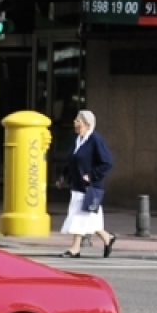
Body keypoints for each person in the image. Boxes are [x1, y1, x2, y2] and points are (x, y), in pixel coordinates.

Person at [56, 110, 116, 258]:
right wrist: (63, 176)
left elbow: (107, 162)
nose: (75, 123)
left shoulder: (95, 139)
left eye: (78, 121)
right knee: (90, 219)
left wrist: (92, 175)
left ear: (87, 124)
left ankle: (75, 249)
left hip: (90, 188)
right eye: (76, 120)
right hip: (77, 185)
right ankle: (107, 238)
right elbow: (72, 161)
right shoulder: (77, 140)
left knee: (79, 216)